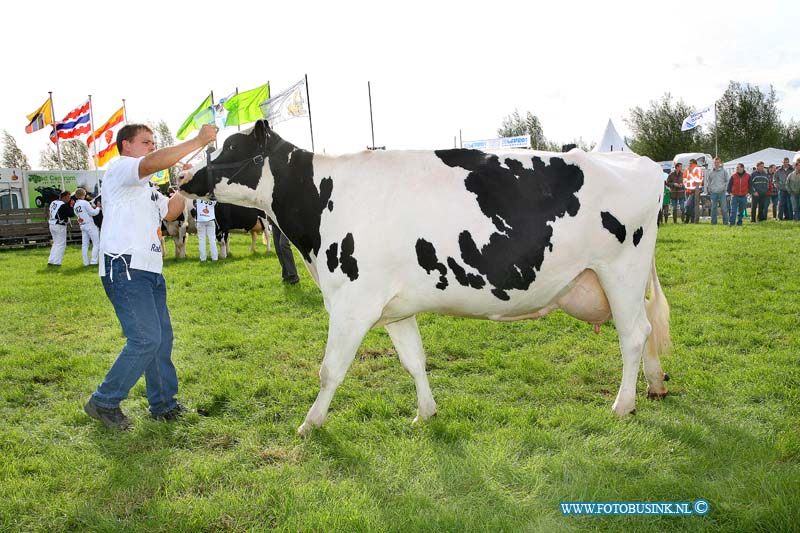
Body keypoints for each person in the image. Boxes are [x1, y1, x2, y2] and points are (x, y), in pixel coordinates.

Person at [83, 123, 217, 430]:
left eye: (153, 142)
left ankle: (163, 405)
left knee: (161, 339)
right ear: (126, 146)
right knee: (145, 339)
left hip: (150, 270)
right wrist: (197, 140)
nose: (151, 146)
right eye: (146, 142)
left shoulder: (145, 190)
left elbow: (170, 212)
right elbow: (154, 163)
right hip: (125, 266)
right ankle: (104, 400)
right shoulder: (120, 169)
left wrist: (185, 186)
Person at [72, 188, 102, 266]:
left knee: (85, 244)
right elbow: (93, 213)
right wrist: (98, 207)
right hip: (89, 224)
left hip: (82, 225)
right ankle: (93, 261)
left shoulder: (75, 205)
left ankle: (85, 262)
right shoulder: (84, 203)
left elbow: (78, 216)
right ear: (83, 195)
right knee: (96, 243)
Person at [47, 190, 74, 266]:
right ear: (64, 197)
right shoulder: (62, 205)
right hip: (59, 225)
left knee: (55, 243)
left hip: (52, 224)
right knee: (61, 244)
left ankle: (51, 260)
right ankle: (57, 262)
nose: (69, 199)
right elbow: (71, 214)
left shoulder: (53, 202)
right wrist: (71, 206)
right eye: (68, 198)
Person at [269, 218, 299, 284]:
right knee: (278, 248)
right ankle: (286, 274)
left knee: (283, 244)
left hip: (286, 219)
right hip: (274, 220)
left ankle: (293, 274)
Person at [704, 157, 728, 225]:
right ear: (713, 163)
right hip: (713, 193)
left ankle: (725, 222)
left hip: (722, 192)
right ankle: (713, 222)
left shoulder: (724, 171)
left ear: (720, 163)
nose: (716, 164)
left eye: (717, 162)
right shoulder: (711, 172)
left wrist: (724, 188)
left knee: (724, 208)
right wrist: (709, 189)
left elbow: (727, 180)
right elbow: (708, 181)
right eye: (715, 162)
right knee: (713, 208)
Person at [682, 159, 703, 223]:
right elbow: (684, 178)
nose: (690, 164)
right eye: (689, 163)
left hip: (695, 190)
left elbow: (698, 180)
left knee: (688, 205)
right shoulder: (686, 170)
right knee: (690, 206)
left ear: (695, 163)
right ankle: (690, 219)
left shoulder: (698, 169)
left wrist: (691, 173)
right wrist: (685, 184)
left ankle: (689, 218)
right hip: (687, 190)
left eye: (691, 163)